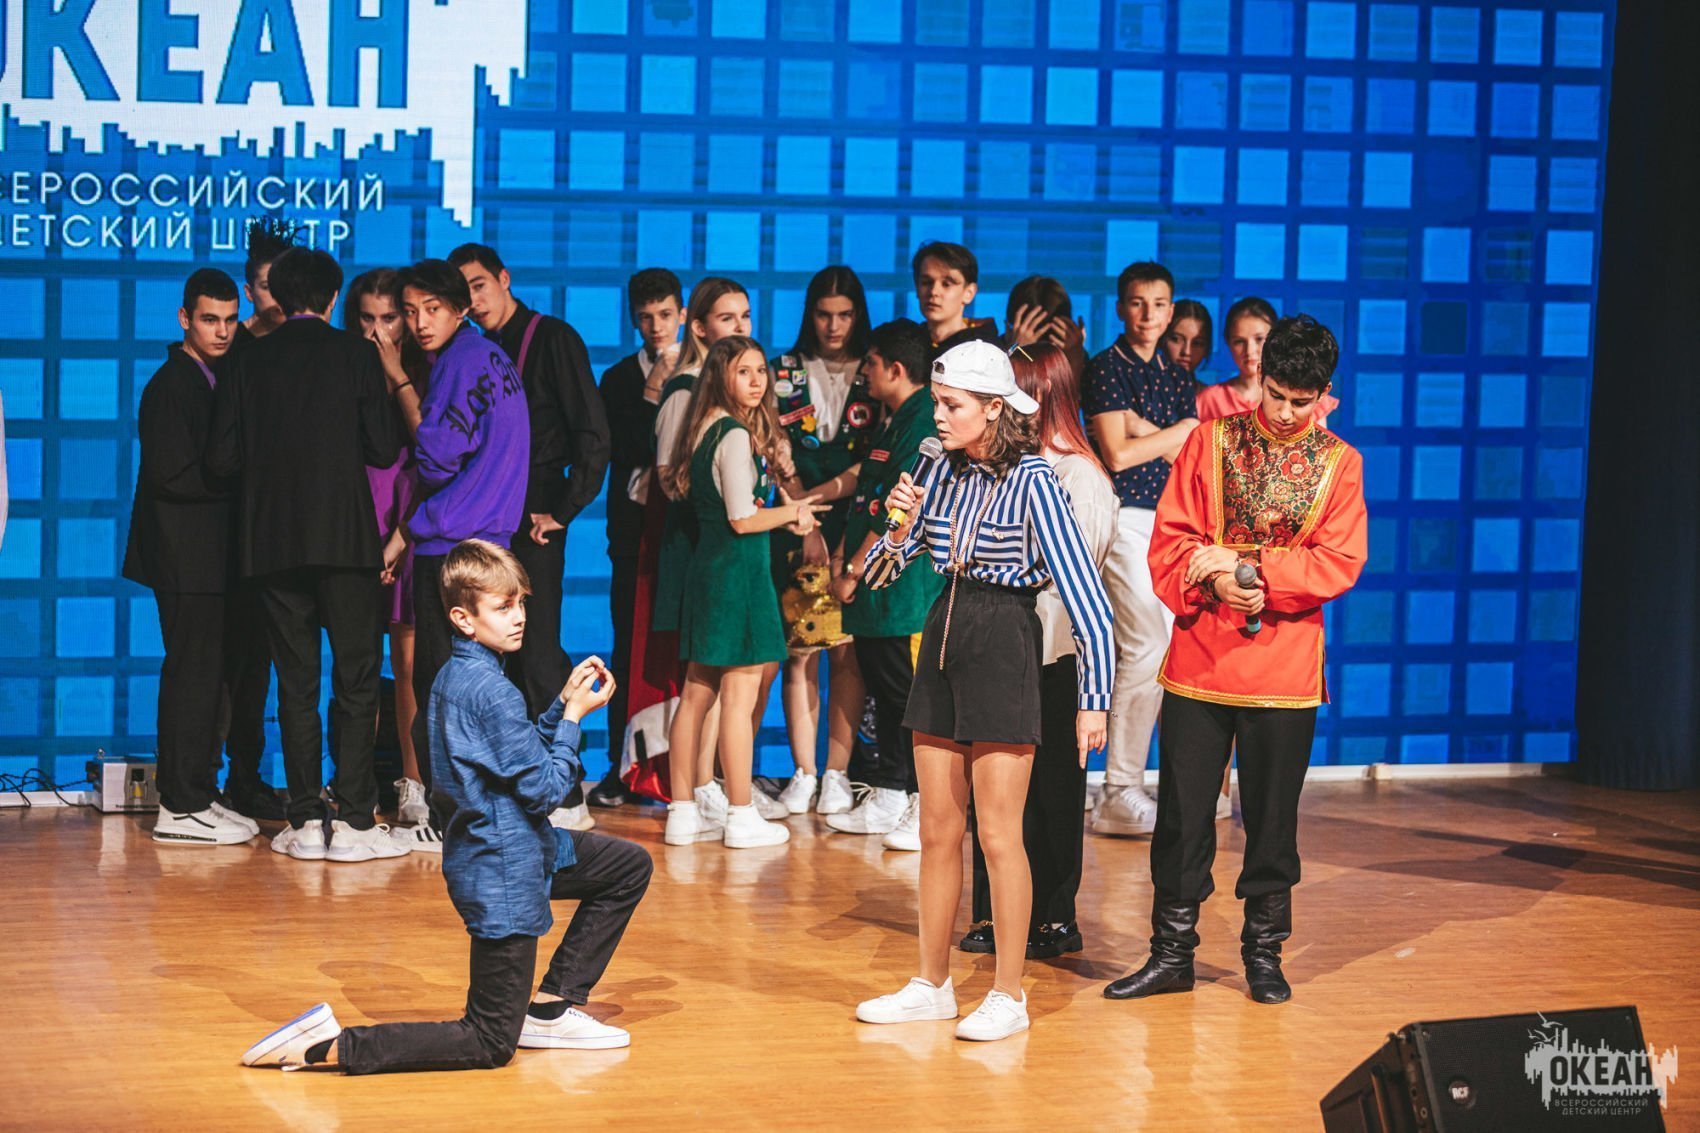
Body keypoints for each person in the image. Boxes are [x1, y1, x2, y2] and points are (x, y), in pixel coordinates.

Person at [242, 539, 653, 1072]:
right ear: (463, 618)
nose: (518, 618)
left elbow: (515, 754)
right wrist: (574, 719)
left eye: (520, 604)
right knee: (488, 1041)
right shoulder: (492, 692)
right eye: (502, 607)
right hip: (503, 867)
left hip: (512, 848)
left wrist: (558, 706)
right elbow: (547, 790)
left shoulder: (456, 678)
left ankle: (551, 1009)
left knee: (626, 867)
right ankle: (332, 1045)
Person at [854, 340, 1114, 1043]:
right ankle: (931, 983)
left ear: (994, 409)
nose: (938, 416)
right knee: (938, 830)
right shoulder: (937, 469)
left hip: (1004, 638)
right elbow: (879, 576)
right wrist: (897, 525)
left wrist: (1094, 698)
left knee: (1000, 834)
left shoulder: (1035, 481)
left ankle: (1008, 992)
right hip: (944, 631)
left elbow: (1087, 597)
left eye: (951, 405)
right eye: (937, 403)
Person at [1105, 315, 1366, 1006]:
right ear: (1259, 378)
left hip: (1284, 668)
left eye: (1301, 402)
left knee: (1272, 819)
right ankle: (1171, 952)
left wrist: (1248, 564)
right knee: (1183, 814)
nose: (1284, 413)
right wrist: (1215, 581)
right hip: (1201, 657)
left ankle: (1264, 952)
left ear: (1325, 394)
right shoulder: (1210, 440)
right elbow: (1171, 538)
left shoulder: (1340, 463)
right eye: (1275, 395)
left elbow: (1339, 560)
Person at [206, 249, 404, 861]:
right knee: (356, 680)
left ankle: (305, 821)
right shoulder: (356, 355)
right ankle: (356, 822)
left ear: (278, 296)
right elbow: (383, 448)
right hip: (346, 542)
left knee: (295, 684)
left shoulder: (246, 359)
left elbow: (222, 459)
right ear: (333, 298)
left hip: (272, 545)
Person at [962, 342, 1119, 959]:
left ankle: (1054, 915)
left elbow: (1076, 580)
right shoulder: (992, 469)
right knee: (992, 792)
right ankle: (990, 913)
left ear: (1040, 396)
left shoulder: (1078, 475)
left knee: (1053, 789)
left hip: (1054, 653)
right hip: (999, 651)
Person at [449, 244, 611, 833]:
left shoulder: (552, 338)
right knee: (491, 654)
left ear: (504, 279)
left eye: (479, 285)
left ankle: (567, 789)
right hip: (485, 510)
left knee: (537, 647)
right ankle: (516, 785)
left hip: (534, 510)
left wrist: (563, 509)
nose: (472, 300)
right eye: (462, 292)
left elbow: (593, 434)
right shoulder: (468, 348)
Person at [386, 259, 530, 842]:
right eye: (410, 311)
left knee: (439, 691)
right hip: (490, 546)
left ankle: (447, 817)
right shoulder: (491, 355)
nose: (420, 323)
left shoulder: (458, 362)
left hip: (451, 549)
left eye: (433, 309)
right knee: (479, 689)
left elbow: (437, 458)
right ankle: (481, 815)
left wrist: (401, 386)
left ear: (460, 309)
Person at [662, 337, 817, 848]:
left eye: (760, 371)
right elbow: (742, 518)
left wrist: (780, 515)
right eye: (743, 371)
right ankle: (740, 813)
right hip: (738, 577)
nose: (757, 381)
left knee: (696, 694)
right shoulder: (730, 433)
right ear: (719, 375)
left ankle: (683, 811)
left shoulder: (703, 426)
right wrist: (793, 512)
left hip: (710, 570)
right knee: (737, 697)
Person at [125, 268, 259, 845]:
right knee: (191, 676)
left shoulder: (216, 375)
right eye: (209, 320)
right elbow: (171, 475)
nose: (222, 331)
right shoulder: (170, 385)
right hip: (185, 559)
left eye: (229, 320)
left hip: (211, 560)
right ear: (185, 319)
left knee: (212, 679)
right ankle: (178, 806)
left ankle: (199, 793)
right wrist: (241, 482)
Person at [1081, 261, 1201, 838]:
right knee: (1146, 643)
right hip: (1120, 515)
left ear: (1171, 310)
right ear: (1120, 307)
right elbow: (1118, 455)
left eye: (1158, 304)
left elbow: (1186, 456)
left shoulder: (1176, 375)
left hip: (1168, 522)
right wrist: (1175, 431)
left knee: (1168, 649)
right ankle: (1118, 788)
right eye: (1136, 302)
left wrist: (1142, 427)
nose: (1148, 315)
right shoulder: (1106, 367)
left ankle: (1130, 784)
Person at [636, 278, 754, 828]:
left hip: (728, 546)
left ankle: (708, 785)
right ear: (700, 327)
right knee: (704, 679)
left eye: (745, 317)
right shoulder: (685, 389)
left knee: (720, 679)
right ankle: (698, 788)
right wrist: (722, 499)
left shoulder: (733, 394)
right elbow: (668, 477)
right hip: (699, 546)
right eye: (727, 319)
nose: (739, 328)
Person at [766, 267, 879, 820]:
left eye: (845, 315)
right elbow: (773, 447)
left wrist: (826, 509)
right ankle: (803, 773)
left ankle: (837, 773)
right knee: (801, 651)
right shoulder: (781, 369)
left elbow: (877, 456)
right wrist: (802, 517)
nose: (833, 326)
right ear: (809, 314)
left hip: (857, 523)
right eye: (823, 314)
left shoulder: (876, 369)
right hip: (794, 524)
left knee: (848, 653)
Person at [829, 319, 943, 849]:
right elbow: (867, 490)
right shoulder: (895, 418)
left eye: (871, 364)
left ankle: (925, 804)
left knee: (908, 695)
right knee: (886, 693)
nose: (864, 374)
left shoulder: (923, 422)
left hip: (899, 588)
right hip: (876, 590)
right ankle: (891, 792)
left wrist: (853, 569)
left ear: (896, 369)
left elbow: (896, 509)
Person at [587, 268, 684, 809]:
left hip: (687, 537)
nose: (656, 326)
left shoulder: (701, 370)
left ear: (683, 314)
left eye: (665, 315)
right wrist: (651, 392)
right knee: (628, 649)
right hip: (632, 536)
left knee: (691, 656)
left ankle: (698, 770)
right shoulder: (620, 378)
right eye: (645, 317)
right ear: (632, 319)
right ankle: (620, 768)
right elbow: (620, 448)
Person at [345, 269, 433, 834]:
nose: (378, 331)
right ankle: (351, 786)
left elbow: (434, 452)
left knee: (409, 666)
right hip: (355, 521)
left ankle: (413, 785)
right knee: (353, 667)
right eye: (367, 319)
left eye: (389, 318)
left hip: (412, 521)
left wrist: (402, 536)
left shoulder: (428, 372)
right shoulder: (341, 370)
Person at [1196, 297, 1339, 429]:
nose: (1249, 350)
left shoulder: (1305, 394)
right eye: (1239, 341)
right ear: (1228, 343)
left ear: (1274, 339)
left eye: (1259, 339)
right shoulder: (1210, 400)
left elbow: (1319, 446)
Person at [912, 241, 1001, 360]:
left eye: (946, 284)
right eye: (926, 282)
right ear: (917, 288)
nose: (933, 292)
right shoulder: (904, 342)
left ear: (969, 293)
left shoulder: (985, 351)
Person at [1001, 275, 1088, 380]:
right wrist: (1017, 356)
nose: (1044, 361)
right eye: (1034, 351)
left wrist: (1075, 362)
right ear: (1008, 329)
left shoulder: (1077, 356)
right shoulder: (991, 358)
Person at [234, 216, 296, 345]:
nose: (279, 295)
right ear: (249, 292)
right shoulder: (229, 344)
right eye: (267, 287)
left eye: (285, 286)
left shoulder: (303, 344)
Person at [1159, 299, 1213, 377]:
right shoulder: (1143, 383)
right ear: (1161, 339)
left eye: (1197, 343)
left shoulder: (1211, 386)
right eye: (1176, 339)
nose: (1187, 352)